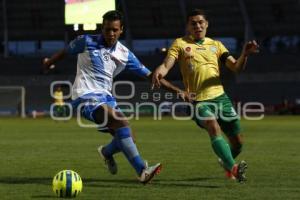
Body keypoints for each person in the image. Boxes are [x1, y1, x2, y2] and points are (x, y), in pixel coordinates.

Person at [43, 10, 187, 184]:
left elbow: (151, 76)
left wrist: (177, 91)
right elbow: (65, 51)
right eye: (107, 29)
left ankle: (106, 152)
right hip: (84, 96)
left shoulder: (124, 54)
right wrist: (49, 63)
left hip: (106, 98)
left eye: (114, 30)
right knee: (121, 121)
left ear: (121, 30)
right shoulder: (86, 41)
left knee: (127, 138)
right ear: (102, 28)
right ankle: (142, 171)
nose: (110, 34)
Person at [152, 9, 259, 182]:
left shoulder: (216, 45)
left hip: (220, 98)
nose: (197, 25)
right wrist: (160, 72)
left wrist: (244, 54)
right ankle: (234, 168)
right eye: (193, 23)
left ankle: (226, 161)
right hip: (198, 100)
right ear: (188, 26)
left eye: (200, 22)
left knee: (238, 143)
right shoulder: (180, 44)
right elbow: (166, 64)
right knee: (211, 124)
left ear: (206, 24)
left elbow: (236, 68)